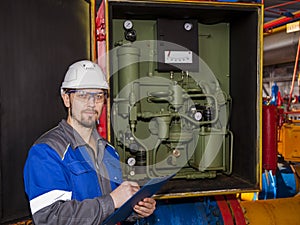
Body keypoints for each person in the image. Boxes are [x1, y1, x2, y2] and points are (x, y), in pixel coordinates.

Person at [23, 60, 156, 224]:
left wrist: (136, 208)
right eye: (83, 95)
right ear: (66, 98)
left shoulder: (109, 151)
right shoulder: (47, 152)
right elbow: (50, 217)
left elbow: (114, 209)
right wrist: (112, 201)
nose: (91, 103)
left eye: (98, 96)